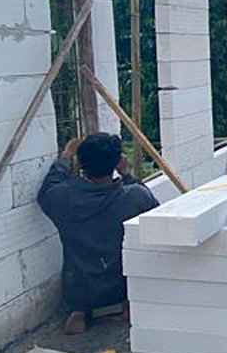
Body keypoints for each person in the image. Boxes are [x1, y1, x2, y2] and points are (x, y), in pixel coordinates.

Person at [38, 133, 160, 334]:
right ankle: (127, 304)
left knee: (79, 285)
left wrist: (66, 156)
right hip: (122, 283)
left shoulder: (64, 197)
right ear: (118, 162)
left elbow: (47, 189)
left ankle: (80, 312)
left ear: (81, 164)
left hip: (80, 288)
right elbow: (154, 211)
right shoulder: (134, 196)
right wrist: (126, 174)